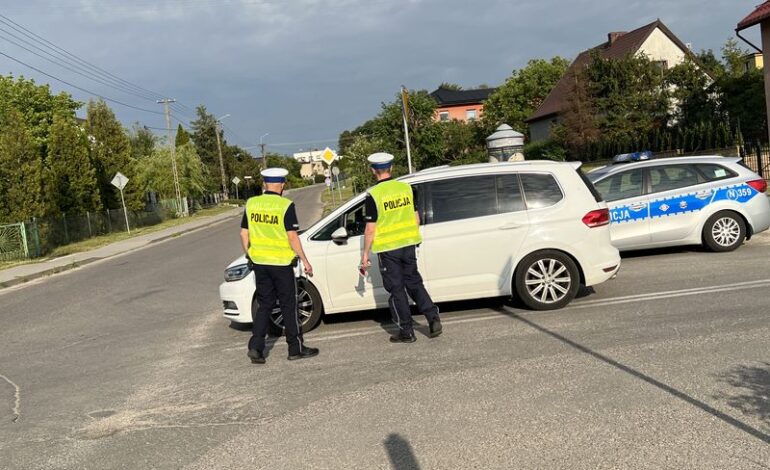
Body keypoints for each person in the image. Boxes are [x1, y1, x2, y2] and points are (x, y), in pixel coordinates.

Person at [361, 153, 442, 343]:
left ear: (373, 171)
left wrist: (365, 254)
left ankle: (407, 331)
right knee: (414, 282)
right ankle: (433, 317)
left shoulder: (373, 195)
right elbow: (416, 218)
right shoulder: (406, 188)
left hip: (389, 249)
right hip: (408, 245)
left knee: (397, 289)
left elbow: (370, 229)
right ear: (391, 169)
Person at [240, 168, 319, 364]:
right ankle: (295, 348)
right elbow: (292, 237)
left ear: (265, 184)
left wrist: (250, 254)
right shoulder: (285, 206)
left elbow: (244, 233)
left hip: (260, 264)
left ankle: (256, 347)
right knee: (289, 305)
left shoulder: (251, 204)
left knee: (264, 305)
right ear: (282, 185)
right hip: (282, 264)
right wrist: (305, 260)